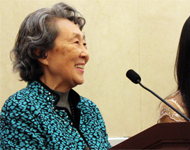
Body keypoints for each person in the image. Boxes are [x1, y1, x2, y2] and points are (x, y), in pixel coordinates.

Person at [1, 3, 110, 149]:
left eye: (85, 44)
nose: (85, 54)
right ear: (41, 53)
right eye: (76, 42)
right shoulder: (21, 108)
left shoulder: (89, 110)